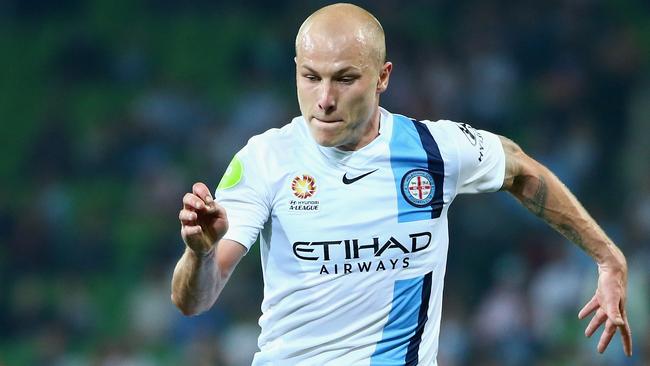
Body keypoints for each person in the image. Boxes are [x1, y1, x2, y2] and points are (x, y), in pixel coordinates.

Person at [171, 3, 633, 364]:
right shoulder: (265, 160)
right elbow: (196, 300)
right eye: (310, 78)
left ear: (382, 78)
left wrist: (607, 258)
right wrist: (200, 252)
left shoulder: (434, 149)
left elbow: (522, 170)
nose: (325, 99)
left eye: (345, 79)